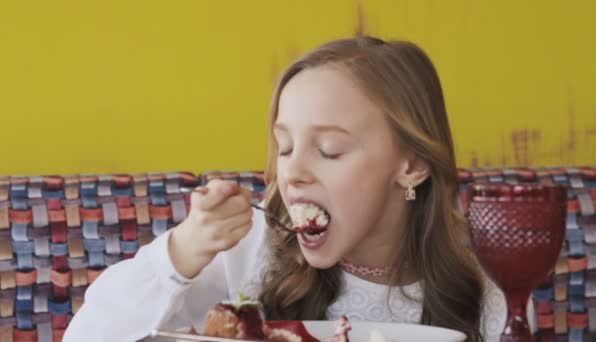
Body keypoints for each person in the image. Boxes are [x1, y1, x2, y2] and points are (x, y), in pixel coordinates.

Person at [64, 36, 518, 342]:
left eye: (329, 150)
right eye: (285, 147)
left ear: (412, 165)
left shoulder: (488, 291)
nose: (292, 173)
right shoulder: (246, 250)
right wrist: (181, 252)